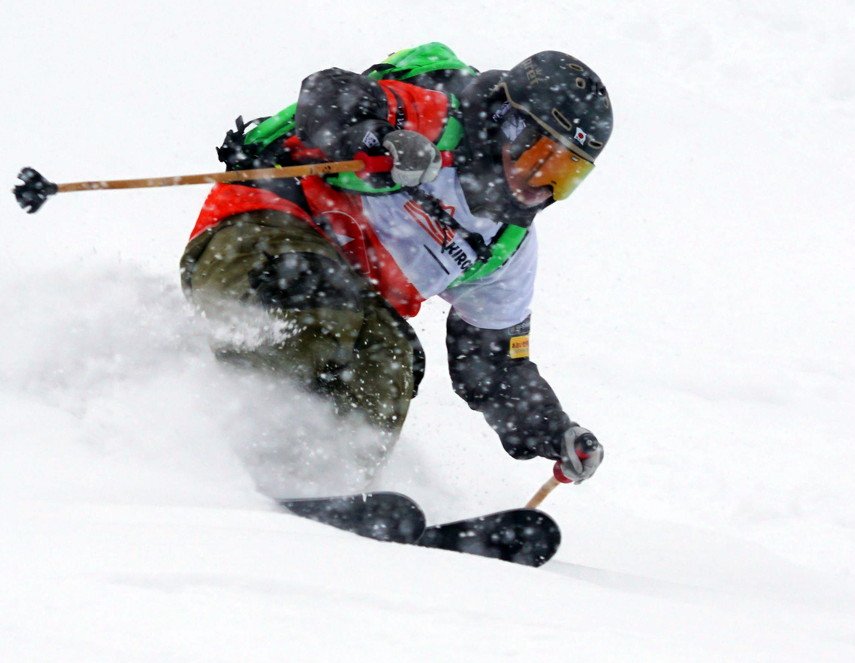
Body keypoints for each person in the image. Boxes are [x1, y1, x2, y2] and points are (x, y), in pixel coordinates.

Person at [179, 43, 609, 498]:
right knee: (322, 299)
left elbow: (493, 365)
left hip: (338, 295)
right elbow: (327, 94)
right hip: (255, 237)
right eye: (538, 158)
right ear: (507, 125)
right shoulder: (438, 118)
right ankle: (249, 454)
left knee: (392, 356)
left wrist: (552, 430)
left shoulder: (506, 245)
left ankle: (334, 487)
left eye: (565, 175)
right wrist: (376, 139)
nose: (538, 184)